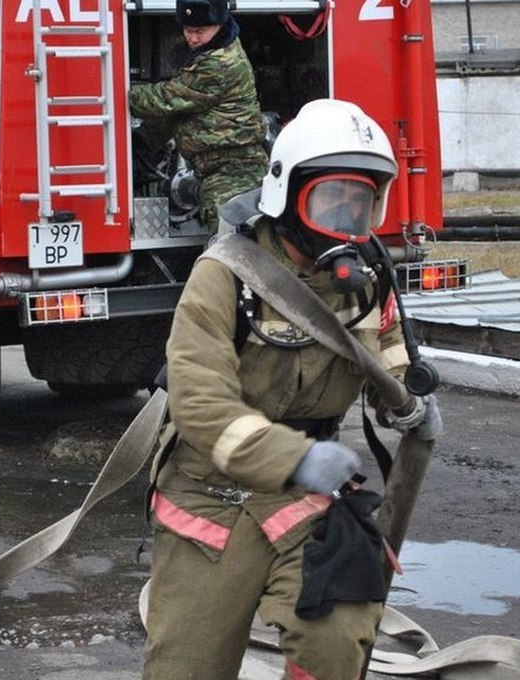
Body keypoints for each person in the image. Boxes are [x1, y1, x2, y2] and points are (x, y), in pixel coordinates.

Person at [142, 99, 443, 679]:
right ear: (288, 194)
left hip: (309, 501)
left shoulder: (367, 281)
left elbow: (387, 356)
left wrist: (409, 402)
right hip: (210, 496)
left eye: (362, 203)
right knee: (186, 668)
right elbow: (200, 407)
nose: (348, 220)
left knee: (338, 639)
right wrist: (297, 457)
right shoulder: (227, 274)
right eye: (333, 200)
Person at [129, 0, 267, 233]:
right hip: (220, 169)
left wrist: (117, 90)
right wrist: (143, 141)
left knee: (231, 250)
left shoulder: (219, 62)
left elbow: (166, 99)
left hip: (233, 173)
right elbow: (180, 112)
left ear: (219, 25)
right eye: (187, 30)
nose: (192, 38)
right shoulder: (211, 50)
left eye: (199, 31)